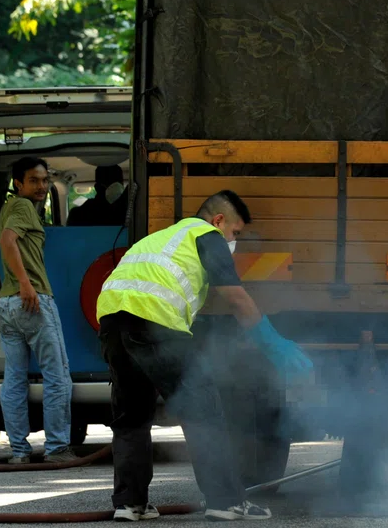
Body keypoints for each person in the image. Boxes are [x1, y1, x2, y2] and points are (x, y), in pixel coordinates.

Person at [95, 190, 312, 522]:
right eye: (236, 234)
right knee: (203, 410)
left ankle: (130, 504)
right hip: (155, 322)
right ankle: (226, 502)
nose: (234, 241)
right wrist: (274, 344)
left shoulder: (161, 239)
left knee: (132, 418)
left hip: (111, 320)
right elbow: (236, 298)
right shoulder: (206, 235)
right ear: (219, 220)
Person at [0, 157, 75, 464]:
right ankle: (56, 449)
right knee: (58, 376)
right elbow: (7, 240)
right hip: (31, 301)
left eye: (44, 180)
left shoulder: (10, 207)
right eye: (34, 180)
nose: (41, 186)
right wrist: (26, 284)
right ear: (18, 183)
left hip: (7, 306)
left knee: (14, 379)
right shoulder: (22, 207)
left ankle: (19, 451)